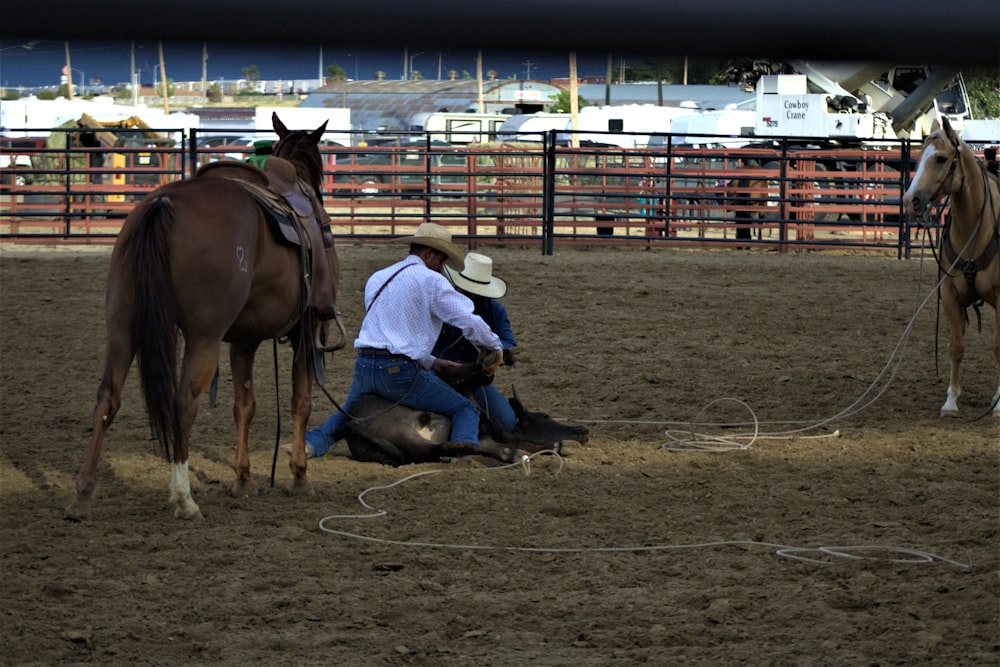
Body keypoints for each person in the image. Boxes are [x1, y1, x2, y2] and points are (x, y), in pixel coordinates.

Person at [290, 222, 504, 459]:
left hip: (365, 366)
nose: (441, 269)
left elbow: (391, 330)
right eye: (441, 261)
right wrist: (494, 346)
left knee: (349, 412)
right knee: (464, 408)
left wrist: (431, 362)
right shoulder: (431, 281)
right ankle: (465, 448)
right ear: (429, 253)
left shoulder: (378, 277)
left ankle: (308, 443)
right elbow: (469, 321)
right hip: (398, 372)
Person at [433, 252, 519, 433]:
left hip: (471, 375)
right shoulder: (440, 301)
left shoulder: (493, 309)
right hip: (433, 370)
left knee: (507, 421)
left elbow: (506, 342)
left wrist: (493, 350)